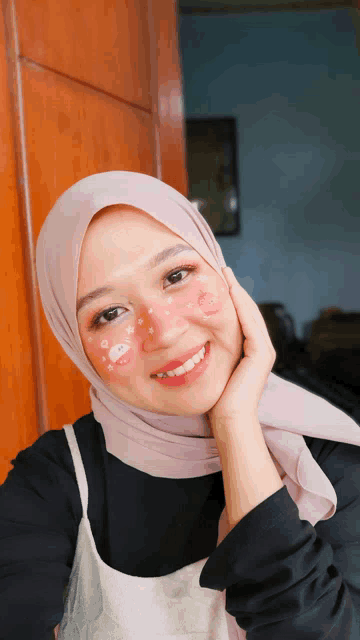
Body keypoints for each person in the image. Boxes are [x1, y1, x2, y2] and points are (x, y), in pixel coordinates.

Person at [1, 171, 360, 639]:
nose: (165, 331)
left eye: (176, 275)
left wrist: (234, 425)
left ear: (222, 273)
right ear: (76, 346)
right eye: (110, 313)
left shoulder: (333, 459)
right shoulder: (53, 481)